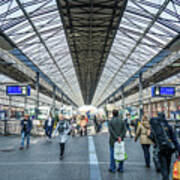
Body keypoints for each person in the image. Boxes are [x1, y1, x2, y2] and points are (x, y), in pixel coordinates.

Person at [149, 112, 180, 180]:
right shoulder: (169, 126)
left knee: (163, 165)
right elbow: (174, 139)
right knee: (168, 165)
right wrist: (178, 150)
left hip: (161, 149)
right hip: (169, 149)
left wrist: (156, 142)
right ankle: (166, 177)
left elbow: (151, 137)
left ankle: (165, 177)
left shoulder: (155, 127)